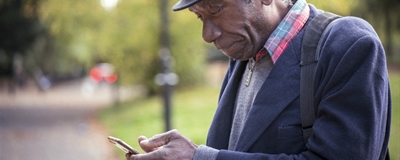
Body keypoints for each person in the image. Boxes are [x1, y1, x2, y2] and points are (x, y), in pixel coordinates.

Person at [126, 0, 392, 159]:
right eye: (199, 16)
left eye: (216, 9)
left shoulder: (348, 45)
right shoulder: (244, 53)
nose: (207, 34)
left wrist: (200, 157)